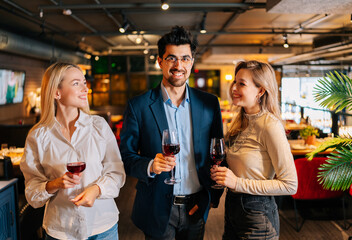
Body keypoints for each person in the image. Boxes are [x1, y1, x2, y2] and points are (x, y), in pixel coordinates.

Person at [120, 26, 224, 240]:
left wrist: (212, 196)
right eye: (171, 59)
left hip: (195, 206)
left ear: (192, 62)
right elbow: (126, 157)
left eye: (185, 58)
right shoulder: (138, 106)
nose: (179, 65)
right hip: (156, 208)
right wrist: (150, 165)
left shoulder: (209, 104)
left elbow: (218, 152)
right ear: (160, 61)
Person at [20, 62, 126, 240]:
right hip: (60, 230)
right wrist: (55, 184)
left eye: (84, 82)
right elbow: (32, 192)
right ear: (56, 92)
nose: (85, 89)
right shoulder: (38, 136)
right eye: (76, 83)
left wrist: (96, 189)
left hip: (102, 227)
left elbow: (117, 173)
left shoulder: (99, 126)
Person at [211, 60, 298, 239]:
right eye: (235, 82)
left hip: (258, 214)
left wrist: (237, 183)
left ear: (261, 90)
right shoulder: (239, 121)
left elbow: (290, 185)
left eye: (241, 83)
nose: (234, 87)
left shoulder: (270, 125)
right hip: (233, 207)